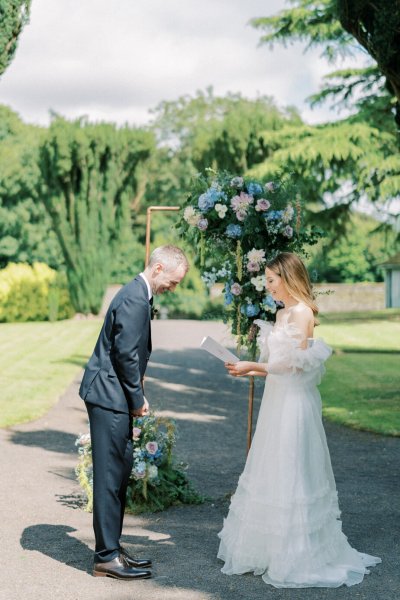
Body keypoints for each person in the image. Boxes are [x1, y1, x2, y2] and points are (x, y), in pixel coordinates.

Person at [218, 252, 381, 588]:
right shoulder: (279, 314)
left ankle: (296, 553)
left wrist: (253, 367)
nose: (268, 286)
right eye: (266, 280)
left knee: (292, 469)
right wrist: (245, 367)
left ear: (288, 277)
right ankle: (268, 549)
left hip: (294, 405)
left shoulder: (303, 312)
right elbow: (277, 365)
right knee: (272, 467)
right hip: (276, 401)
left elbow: (294, 366)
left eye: (272, 280)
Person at [79, 245, 189, 580]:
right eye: (173, 280)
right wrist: (138, 399)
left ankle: (111, 545)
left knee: (121, 468)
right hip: (110, 396)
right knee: (111, 475)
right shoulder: (135, 298)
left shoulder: (139, 294)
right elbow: (126, 354)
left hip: (113, 395)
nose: (174, 287)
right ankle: (106, 556)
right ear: (158, 268)